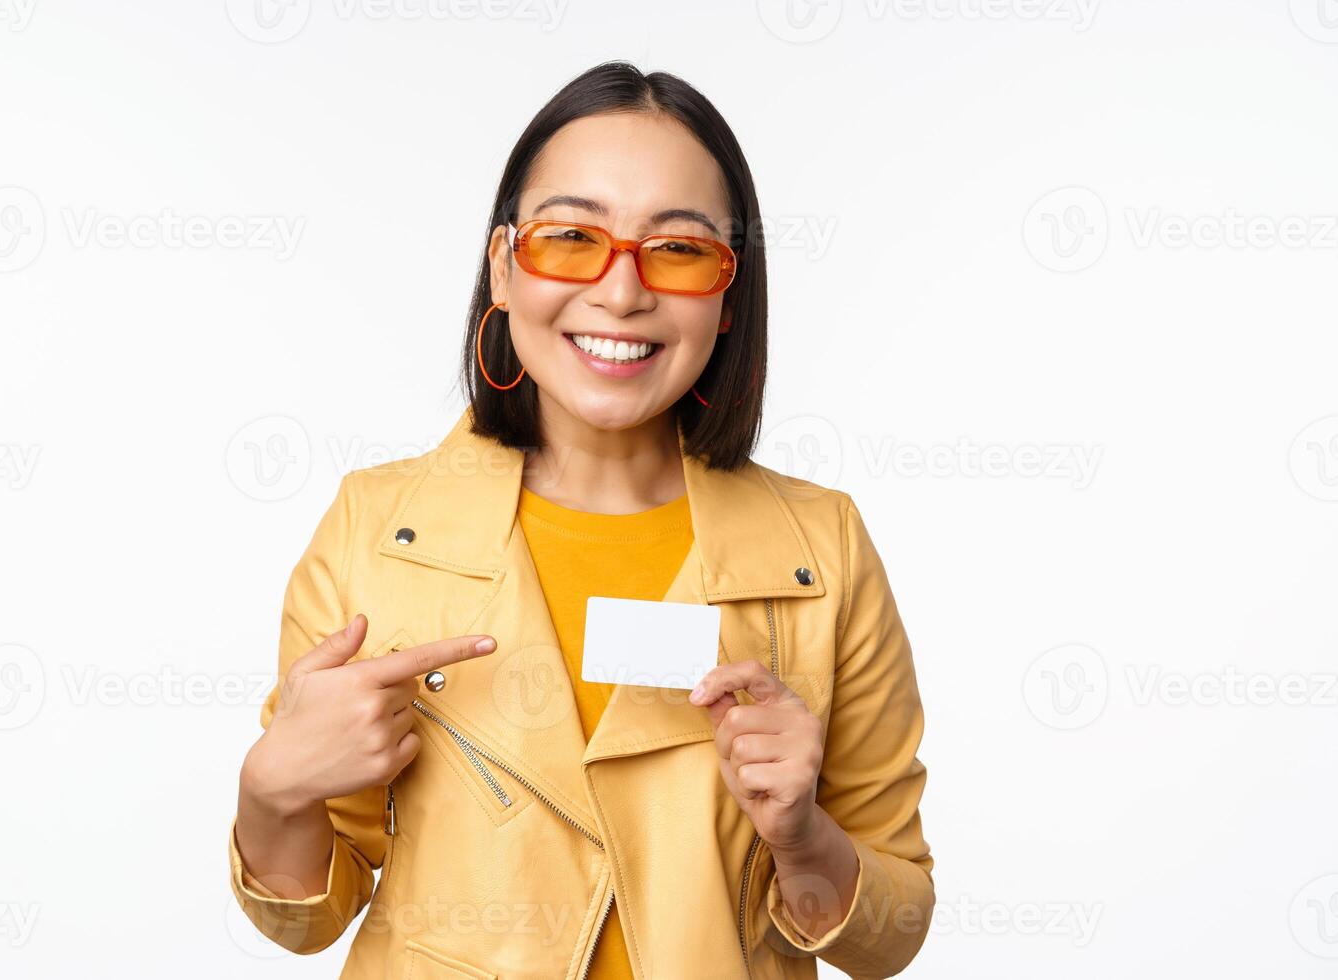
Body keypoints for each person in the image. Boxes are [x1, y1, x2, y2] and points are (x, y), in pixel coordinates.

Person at [229, 60, 934, 979]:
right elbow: (307, 921)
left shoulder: (821, 549)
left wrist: (804, 842)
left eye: (677, 250)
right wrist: (270, 792)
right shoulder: (376, 530)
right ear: (503, 268)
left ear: (728, 297)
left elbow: (894, 934)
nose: (621, 291)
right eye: (570, 237)